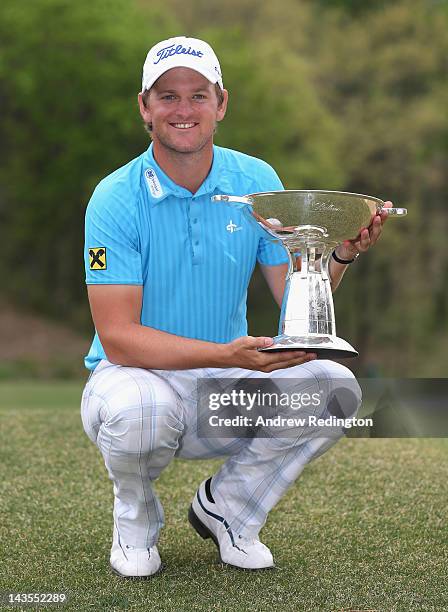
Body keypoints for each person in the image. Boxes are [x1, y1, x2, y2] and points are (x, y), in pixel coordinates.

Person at [81, 36, 389, 578]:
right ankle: (135, 520)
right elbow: (118, 338)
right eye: (167, 96)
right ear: (144, 107)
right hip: (133, 382)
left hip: (224, 391)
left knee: (335, 387)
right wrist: (228, 353)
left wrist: (338, 252)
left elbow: (292, 297)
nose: (183, 110)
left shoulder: (256, 183)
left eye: (198, 95)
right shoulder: (114, 197)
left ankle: (230, 509)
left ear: (222, 103)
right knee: (139, 414)